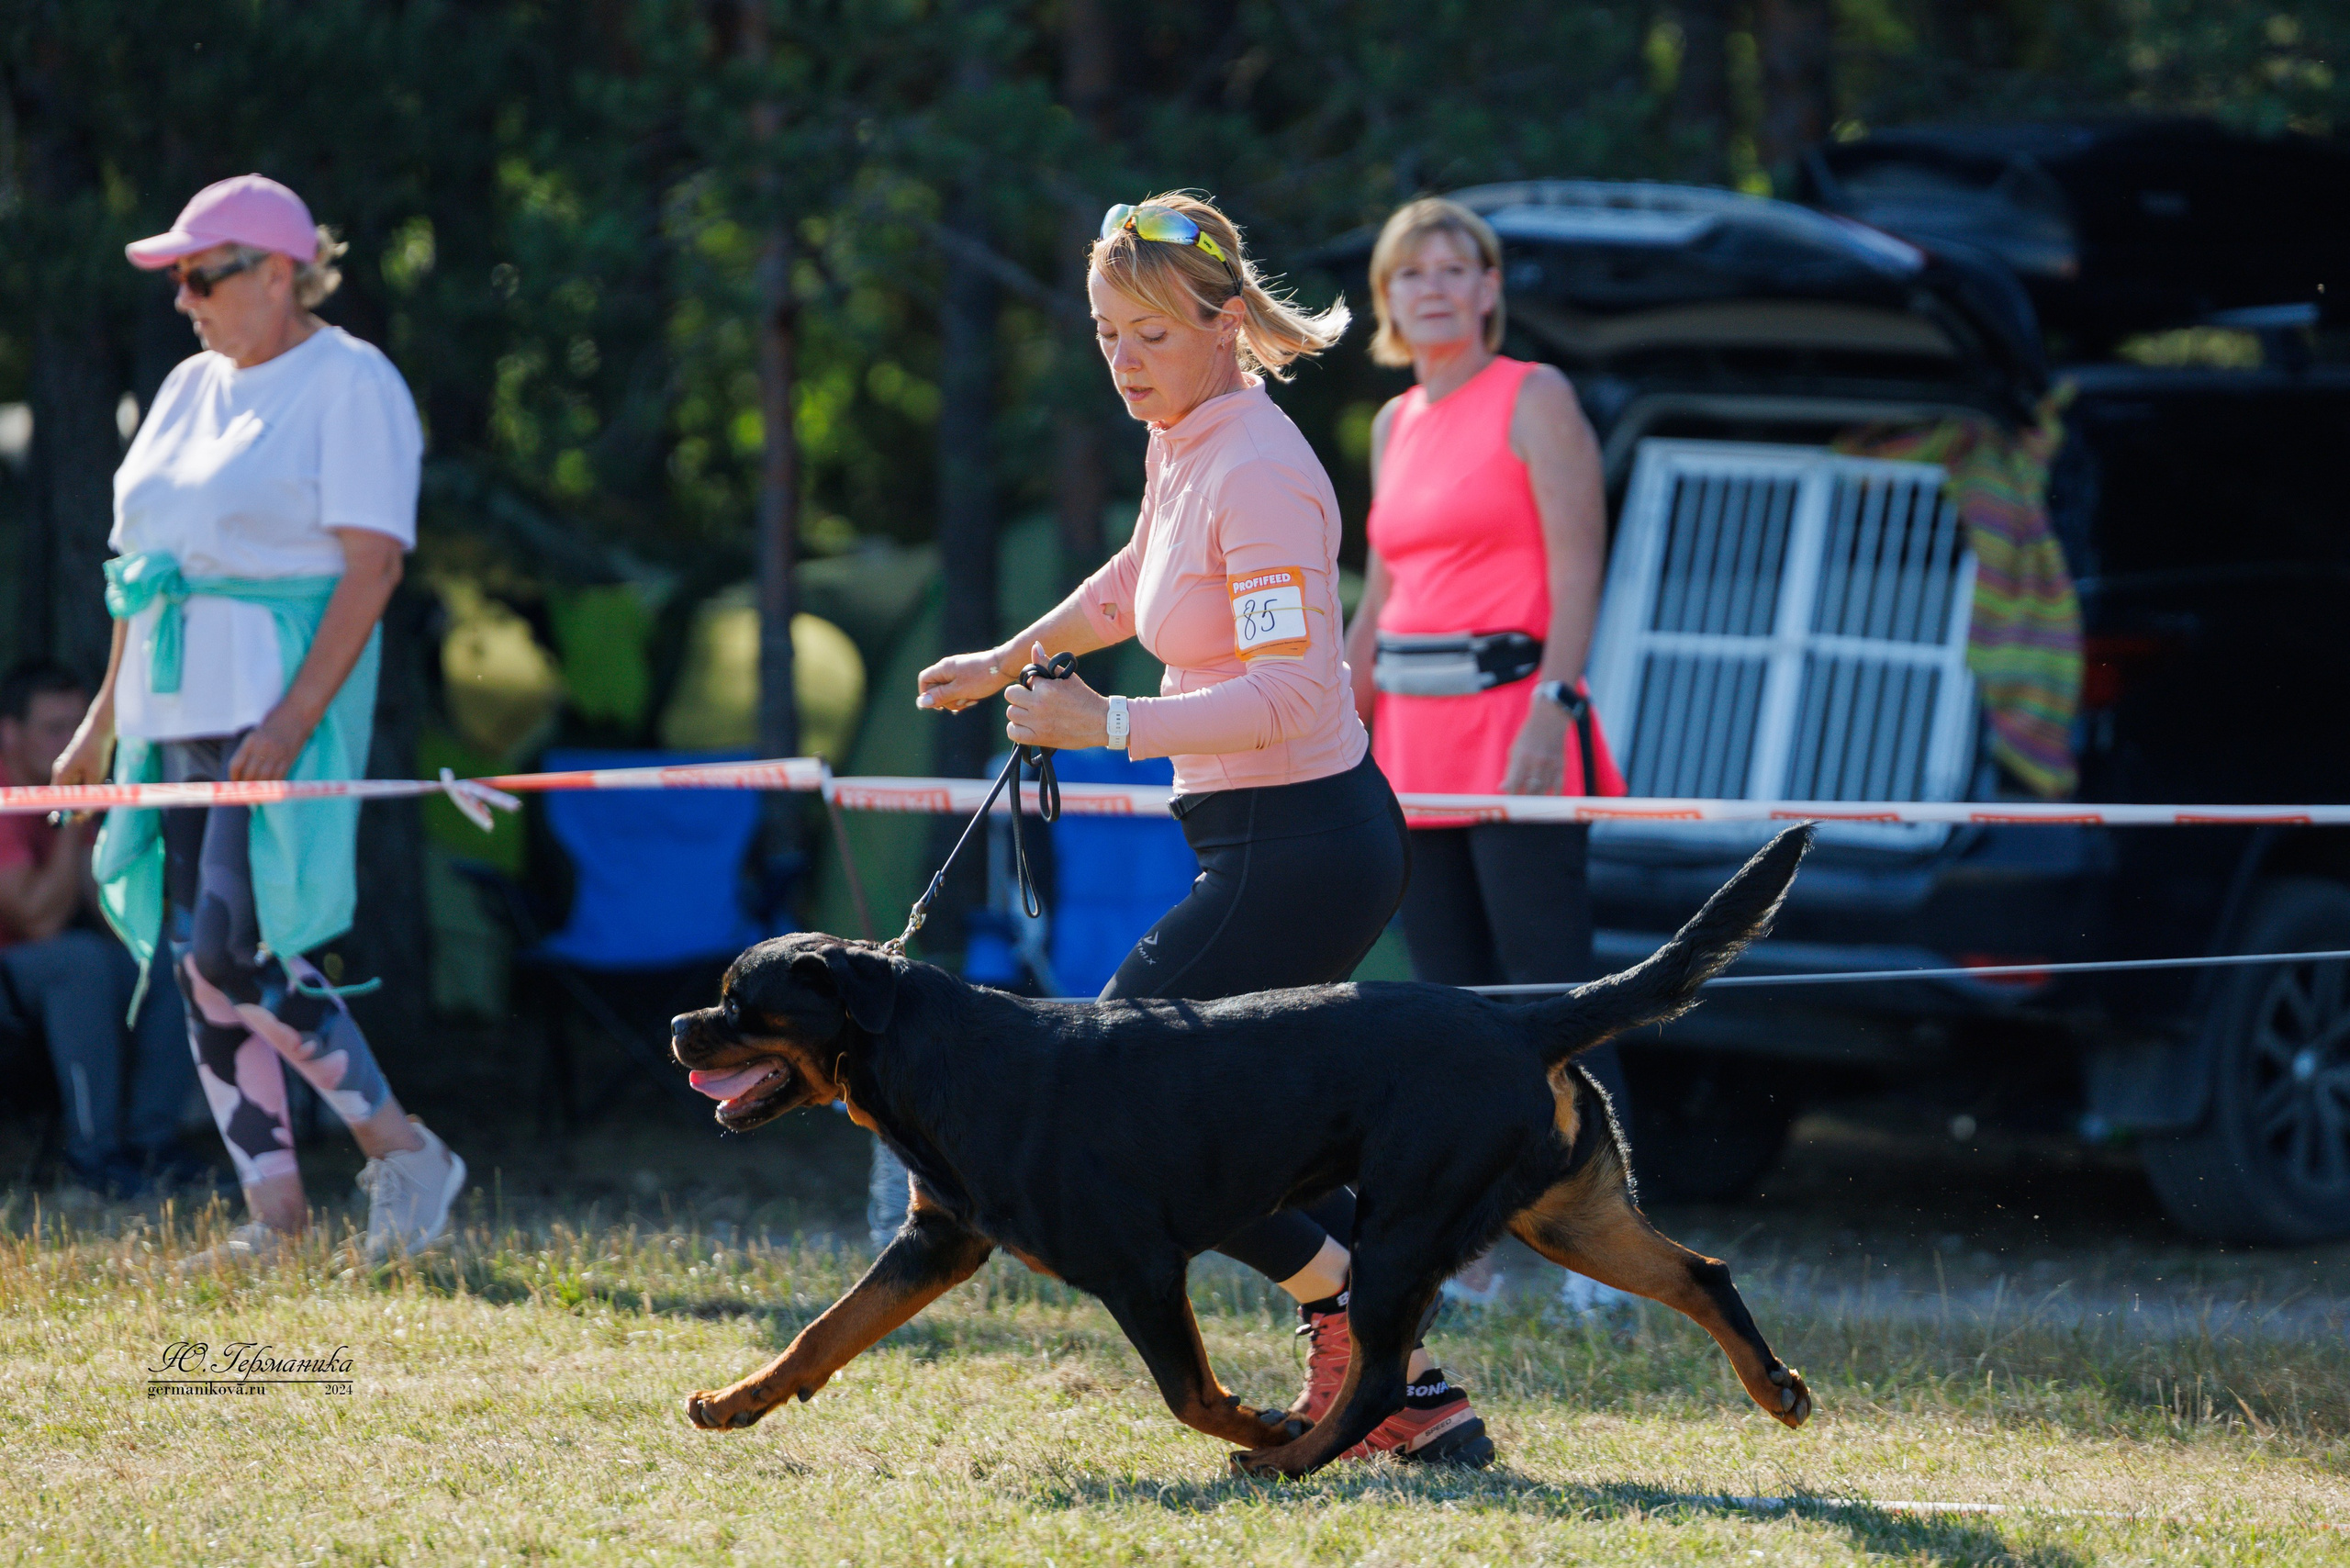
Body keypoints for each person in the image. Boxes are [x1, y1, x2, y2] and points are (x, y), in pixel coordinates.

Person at [915, 192, 1491, 1467]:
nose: (1122, 362)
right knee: (1216, 1128)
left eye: (1148, 336)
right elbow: (1141, 576)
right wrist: (1013, 655)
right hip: (1261, 848)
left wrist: (1102, 725)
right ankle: (1407, 1386)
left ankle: (1361, 1323)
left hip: (1307, 849)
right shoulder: (1186, 437)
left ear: (1226, 326)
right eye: (1105, 335)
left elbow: (1299, 690)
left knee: (1119, 1097)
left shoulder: (1266, 467)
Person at [50, 174, 464, 1268]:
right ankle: (277, 1220)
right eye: (176, 278)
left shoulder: (351, 380)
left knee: (235, 951)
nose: (183, 298)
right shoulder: (188, 385)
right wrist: (101, 718)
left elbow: (372, 567)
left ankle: (406, 1150)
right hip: (171, 704)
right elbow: (140, 576)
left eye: (201, 273)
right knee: (200, 963)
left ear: (280, 272)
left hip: (275, 699)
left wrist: (291, 715)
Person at [1344, 197, 1633, 1309]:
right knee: (1452, 1010)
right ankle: (1473, 1249)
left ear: (1487, 289)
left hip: (1518, 726)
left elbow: (1579, 561)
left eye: (1455, 268)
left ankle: (1607, 1251)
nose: (1432, 287)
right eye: (1410, 270)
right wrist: (1343, 729)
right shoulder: (1393, 421)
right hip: (1414, 738)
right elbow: (1383, 596)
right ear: (1387, 299)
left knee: (1557, 998)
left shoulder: (1534, 397)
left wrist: (1554, 708)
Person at [0, 660, 201, 1197]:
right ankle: (94, 1155)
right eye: (53, 728)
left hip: (45, 965)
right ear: (8, 732)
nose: (70, 742)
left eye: (79, 726)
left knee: (168, 957)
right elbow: (38, 920)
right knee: (79, 960)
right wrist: (74, 815)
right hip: (23, 966)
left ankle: (154, 1145)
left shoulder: (61, 781)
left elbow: (113, 913)